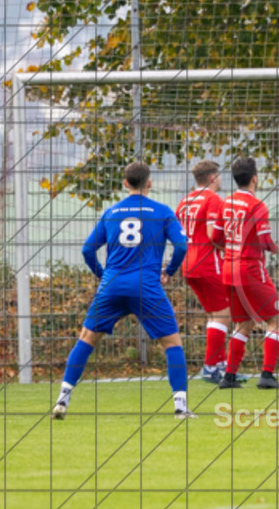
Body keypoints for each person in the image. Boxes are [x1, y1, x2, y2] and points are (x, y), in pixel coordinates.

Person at [52, 162, 193, 420]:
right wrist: (169, 271)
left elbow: (87, 250)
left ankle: (62, 400)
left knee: (86, 338)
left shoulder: (111, 212)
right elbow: (182, 245)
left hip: (112, 285)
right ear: (149, 183)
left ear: (125, 183)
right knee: (172, 343)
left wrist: (102, 275)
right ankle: (181, 407)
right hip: (146, 286)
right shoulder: (162, 212)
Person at [211, 158, 279, 390]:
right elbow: (264, 241)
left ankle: (229, 377)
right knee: (277, 319)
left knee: (243, 323)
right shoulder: (258, 206)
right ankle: (267, 375)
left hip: (228, 270)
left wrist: (232, 249)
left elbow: (215, 238)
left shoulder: (227, 202)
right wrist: (275, 247)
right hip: (250, 269)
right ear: (254, 178)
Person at [176, 160, 237, 384]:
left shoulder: (185, 201)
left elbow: (178, 234)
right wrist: (230, 248)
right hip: (208, 263)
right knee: (224, 314)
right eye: (219, 175)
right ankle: (211, 367)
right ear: (212, 177)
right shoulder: (213, 200)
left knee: (215, 314)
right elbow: (213, 234)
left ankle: (219, 365)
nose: (220, 179)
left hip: (189, 264)